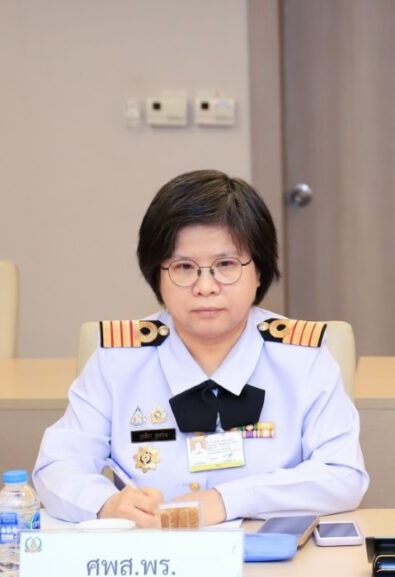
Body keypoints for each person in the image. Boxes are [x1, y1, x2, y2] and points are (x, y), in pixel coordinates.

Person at [34, 170, 369, 526]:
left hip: (268, 550)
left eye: (226, 265)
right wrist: (108, 503)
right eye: (184, 267)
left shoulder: (302, 358)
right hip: (150, 550)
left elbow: (343, 474)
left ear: (259, 271)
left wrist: (227, 500)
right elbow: (57, 465)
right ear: (157, 274)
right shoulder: (118, 360)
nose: (205, 286)